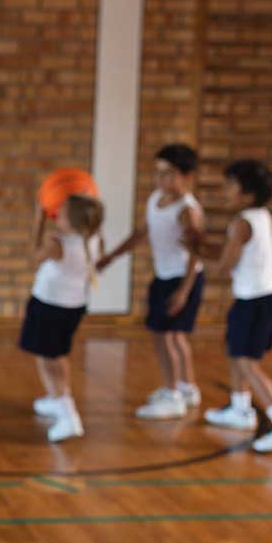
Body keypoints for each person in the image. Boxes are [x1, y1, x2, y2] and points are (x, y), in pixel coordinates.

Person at [200, 158, 272, 452]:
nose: (224, 191)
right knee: (235, 354)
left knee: (247, 363)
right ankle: (239, 408)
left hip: (255, 302)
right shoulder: (261, 215)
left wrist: (199, 252)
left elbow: (225, 264)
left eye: (230, 186)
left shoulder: (241, 223)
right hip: (261, 298)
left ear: (246, 195)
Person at [97, 144, 206, 420]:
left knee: (163, 335)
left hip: (181, 279)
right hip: (164, 276)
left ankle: (173, 396)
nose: (160, 180)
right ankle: (186, 387)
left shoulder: (188, 211)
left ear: (186, 176)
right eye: (158, 173)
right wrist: (111, 257)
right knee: (173, 335)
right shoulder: (156, 199)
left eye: (168, 174)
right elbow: (141, 233)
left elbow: (196, 253)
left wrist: (184, 291)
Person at [20, 194, 105, 442]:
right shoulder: (94, 239)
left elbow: (32, 257)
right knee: (59, 355)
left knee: (47, 359)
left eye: (63, 213)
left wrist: (38, 221)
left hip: (49, 305)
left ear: (74, 220)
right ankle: (57, 398)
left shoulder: (57, 242)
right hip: (73, 306)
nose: (57, 215)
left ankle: (67, 415)